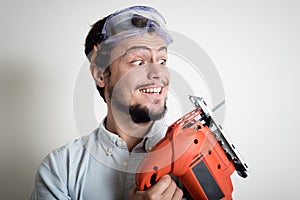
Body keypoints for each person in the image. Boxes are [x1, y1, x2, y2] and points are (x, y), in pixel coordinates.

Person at [30, 5, 184, 200]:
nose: (158, 74)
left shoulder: (197, 159)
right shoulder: (60, 169)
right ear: (100, 74)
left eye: (162, 61)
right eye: (138, 62)